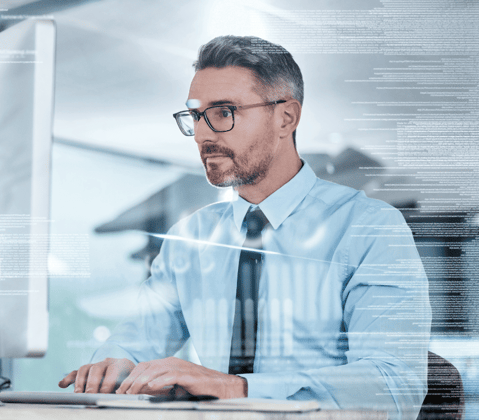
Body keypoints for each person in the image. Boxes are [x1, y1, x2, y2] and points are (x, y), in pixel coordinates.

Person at [59, 36, 431, 420]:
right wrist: (114, 365)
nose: (203, 134)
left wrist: (237, 389)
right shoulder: (190, 240)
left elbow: (394, 386)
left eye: (223, 113)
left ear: (286, 117)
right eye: (196, 116)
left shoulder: (370, 228)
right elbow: (139, 338)